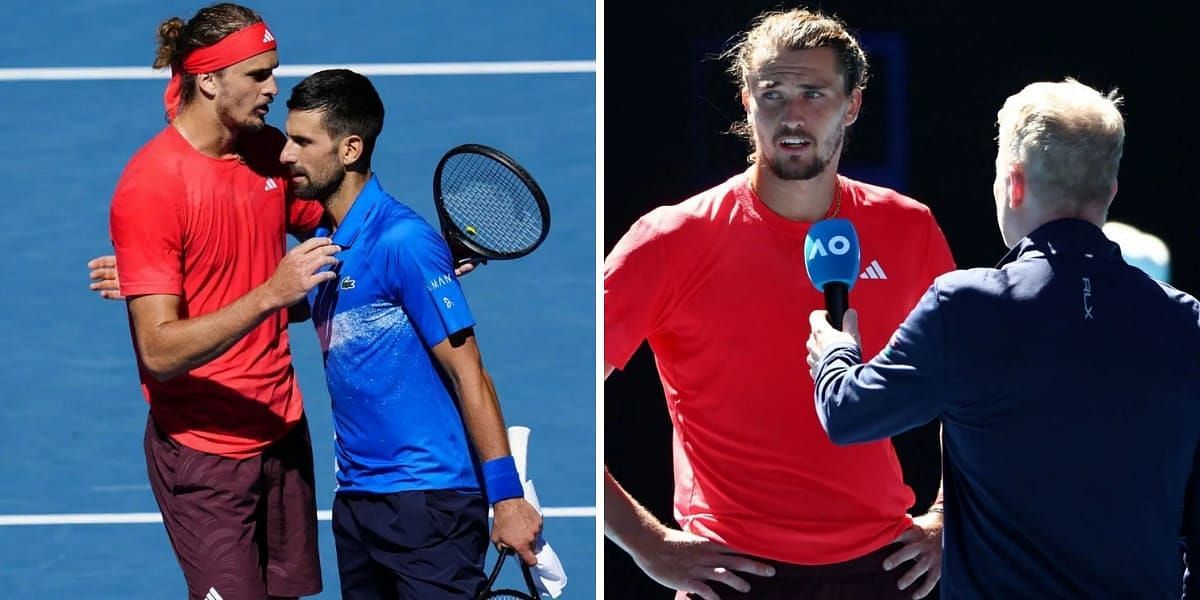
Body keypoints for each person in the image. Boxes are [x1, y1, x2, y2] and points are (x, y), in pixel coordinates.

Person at [604, 8, 954, 600]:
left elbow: (972, 387)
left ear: (852, 106)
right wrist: (646, 541)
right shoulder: (671, 239)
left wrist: (949, 517)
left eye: (814, 94)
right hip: (732, 575)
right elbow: (562, 392)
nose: (792, 115)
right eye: (773, 94)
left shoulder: (908, 228)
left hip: (885, 570)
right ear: (747, 103)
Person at [806, 79, 1200, 598]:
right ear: (1110, 192)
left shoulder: (966, 305)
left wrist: (834, 349)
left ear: (1012, 183)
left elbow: (849, 412)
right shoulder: (1185, 323)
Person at [278, 68, 542, 599]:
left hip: (428, 502)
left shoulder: (404, 241)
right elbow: (284, 308)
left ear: (350, 149)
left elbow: (471, 374)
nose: (286, 153)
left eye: (302, 141)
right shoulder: (327, 246)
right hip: (357, 501)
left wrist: (508, 498)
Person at [105, 4, 333, 599]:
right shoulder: (152, 187)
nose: (273, 88)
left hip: (282, 431)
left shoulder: (265, 150)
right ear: (208, 81)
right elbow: (157, 351)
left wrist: (419, 255)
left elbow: (334, 229)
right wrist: (270, 295)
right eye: (258, 76)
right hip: (206, 458)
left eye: (272, 71)